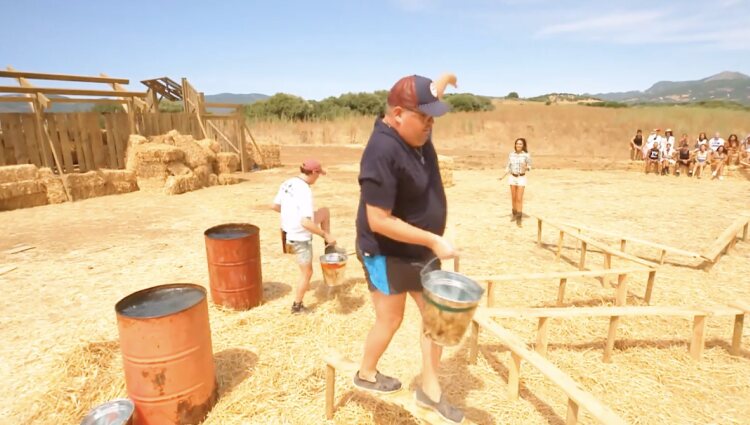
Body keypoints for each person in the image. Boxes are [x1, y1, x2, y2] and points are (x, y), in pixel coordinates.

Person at [354, 73, 465, 424]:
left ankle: (430, 390)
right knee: (391, 318)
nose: (430, 124)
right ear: (398, 114)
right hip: (386, 250)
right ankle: (366, 373)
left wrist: (441, 83)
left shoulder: (414, 130)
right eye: (425, 117)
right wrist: (433, 239)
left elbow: (425, 98)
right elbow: (379, 220)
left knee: (438, 319)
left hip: (418, 249)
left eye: (434, 116)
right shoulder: (381, 151)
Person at [271, 159, 336, 314]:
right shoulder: (305, 191)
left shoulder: (288, 182)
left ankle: (329, 246)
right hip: (299, 236)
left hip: (287, 232)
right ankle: (297, 306)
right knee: (307, 273)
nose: (318, 177)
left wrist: (291, 214)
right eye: (318, 174)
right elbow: (306, 223)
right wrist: (324, 233)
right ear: (313, 172)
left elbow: (274, 206)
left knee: (325, 212)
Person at [502, 138, 531, 226]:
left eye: (520, 144)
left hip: (521, 178)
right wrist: (502, 175)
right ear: (515, 145)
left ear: (523, 145)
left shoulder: (526, 155)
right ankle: (514, 214)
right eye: (517, 144)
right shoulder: (511, 155)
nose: (518, 145)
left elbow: (530, 166)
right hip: (512, 177)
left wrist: (526, 167)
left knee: (519, 198)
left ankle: (519, 218)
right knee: (513, 197)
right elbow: (508, 166)